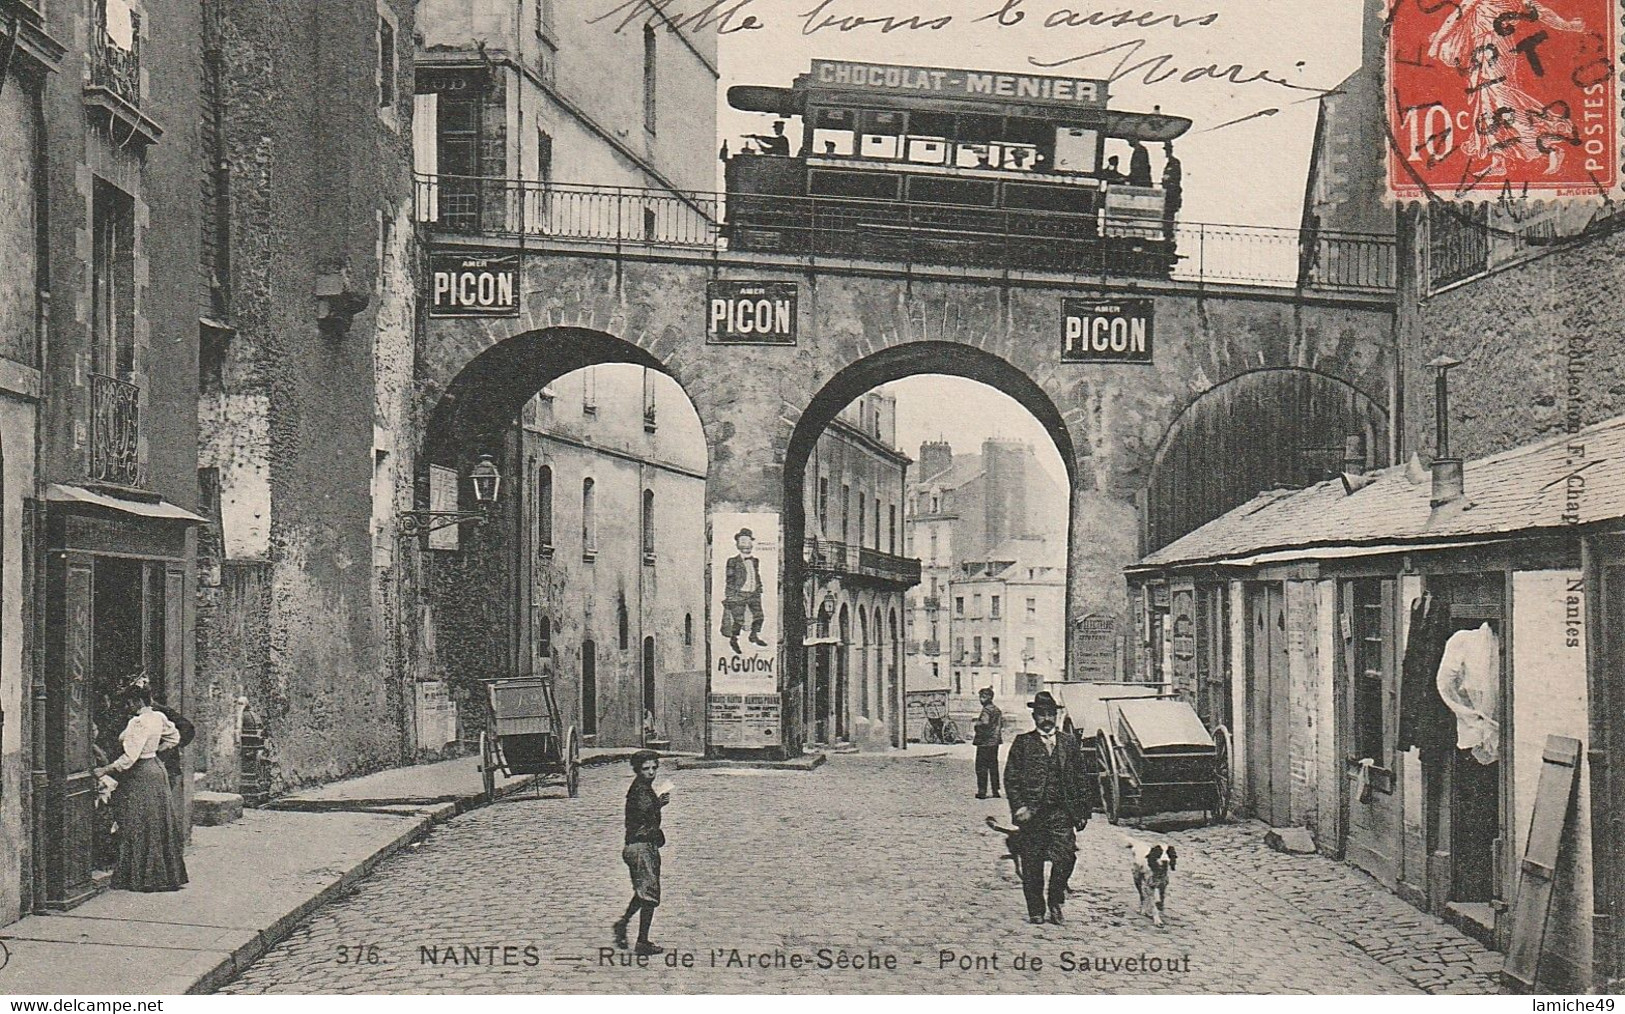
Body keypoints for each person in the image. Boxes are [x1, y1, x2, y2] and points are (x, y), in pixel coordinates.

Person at [1003, 691, 1094, 925]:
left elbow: (1081, 778)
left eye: (1050, 714)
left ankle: (1055, 901)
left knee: (1066, 857)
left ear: (1056, 715)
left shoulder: (1069, 743)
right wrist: (1019, 806)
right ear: (1034, 717)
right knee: (1032, 862)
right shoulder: (1023, 743)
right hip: (1032, 814)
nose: (1046, 719)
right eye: (1041, 714)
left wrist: (1083, 812)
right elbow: (1011, 779)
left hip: (1061, 813)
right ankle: (1036, 909)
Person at [93, 677, 188, 893]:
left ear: (136, 701)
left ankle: (141, 876)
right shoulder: (158, 717)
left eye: (128, 702)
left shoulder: (137, 722)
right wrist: (156, 752)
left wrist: (104, 769)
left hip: (142, 775)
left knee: (137, 821)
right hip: (156, 770)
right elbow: (174, 738)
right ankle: (162, 874)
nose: (127, 707)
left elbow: (129, 758)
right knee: (156, 822)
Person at [612, 750, 670, 955]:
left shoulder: (643, 788)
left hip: (639, 847)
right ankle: (642, 942)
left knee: (644, 891)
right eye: (646, 769)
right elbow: (645, 822)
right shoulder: (640, 791)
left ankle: (623, 923)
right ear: (638, 770)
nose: (651, 772)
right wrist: (658, 806)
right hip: (641, 847)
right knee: (650, 896)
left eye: (654, 767)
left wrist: (658, 803)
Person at [721, 528, 767, 655]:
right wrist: (730, 595)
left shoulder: (755, 561)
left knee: (759, 616)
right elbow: (729, 579)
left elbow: (756, 575)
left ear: (751, 544)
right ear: (737, 544)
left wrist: (759, 587)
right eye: (742, 541)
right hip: (739, 594)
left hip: (753, 593)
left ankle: (753, 635)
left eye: (748, 541)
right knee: (738, 620)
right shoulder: (733, 561)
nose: (746, 544)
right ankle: (734, 639)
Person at [973, 688, 1003, 799]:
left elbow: (984, 723)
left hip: (984, 742)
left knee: (981, 767)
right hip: (995, 742)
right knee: (993, 766)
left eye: (982, 697)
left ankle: (982, 791)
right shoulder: (997, 710)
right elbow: (1001, 725)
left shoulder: (986, 710)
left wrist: (977, 723)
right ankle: (996, 791)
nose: (981, 700)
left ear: (988, 698)